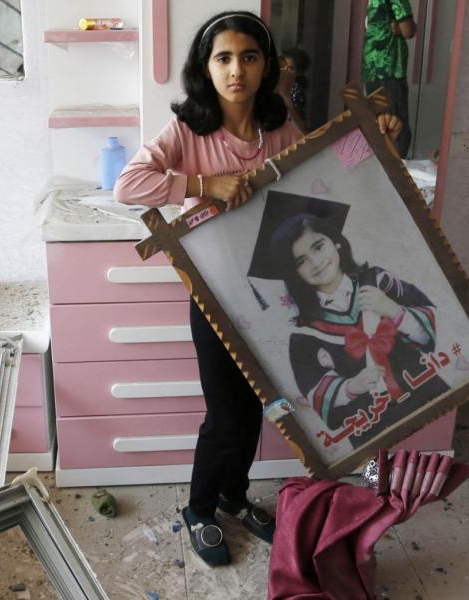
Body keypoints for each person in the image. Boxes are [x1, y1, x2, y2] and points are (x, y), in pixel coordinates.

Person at [114, 11, 403, 567]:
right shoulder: (187, 132)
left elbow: (322, 181)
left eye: (248, 57)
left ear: (266, 65)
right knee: (223, 415)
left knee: (255, 409)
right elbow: (130, 185)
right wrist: (200, 184)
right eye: (222, 58)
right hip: (215, 300)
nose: (236, 70)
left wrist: (375, 138)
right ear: (205, 67)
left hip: (276, 305)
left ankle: (234, 496)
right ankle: (199, 511)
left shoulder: (281, 130)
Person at [269, 211, 449, 449]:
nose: (315, 262)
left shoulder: (379, 281)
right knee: (374, 475)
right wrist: (350, 387)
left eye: (318, 247)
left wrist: (393, 310)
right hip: (369, 421)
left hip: (424, 394)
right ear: (295, 274)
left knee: (424, 465)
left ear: (336, 242)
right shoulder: (305, 336)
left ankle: (416, 483)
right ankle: (375, 484)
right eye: (301, 261)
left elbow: (431, 329)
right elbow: (313, 388)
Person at [362, 0, 416, 157]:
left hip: (372, 63)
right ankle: (395, 174)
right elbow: (408, 31)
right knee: (396, 124)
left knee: (378, 120)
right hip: (390, 65)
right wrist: (411, 27)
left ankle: (378, 170)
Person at [277, 47, 309, 133]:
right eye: (283, 66)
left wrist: (285, 95)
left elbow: (302, 128)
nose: (284, 71)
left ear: (298, 73)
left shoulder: (297, 92)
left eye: (290, 68)